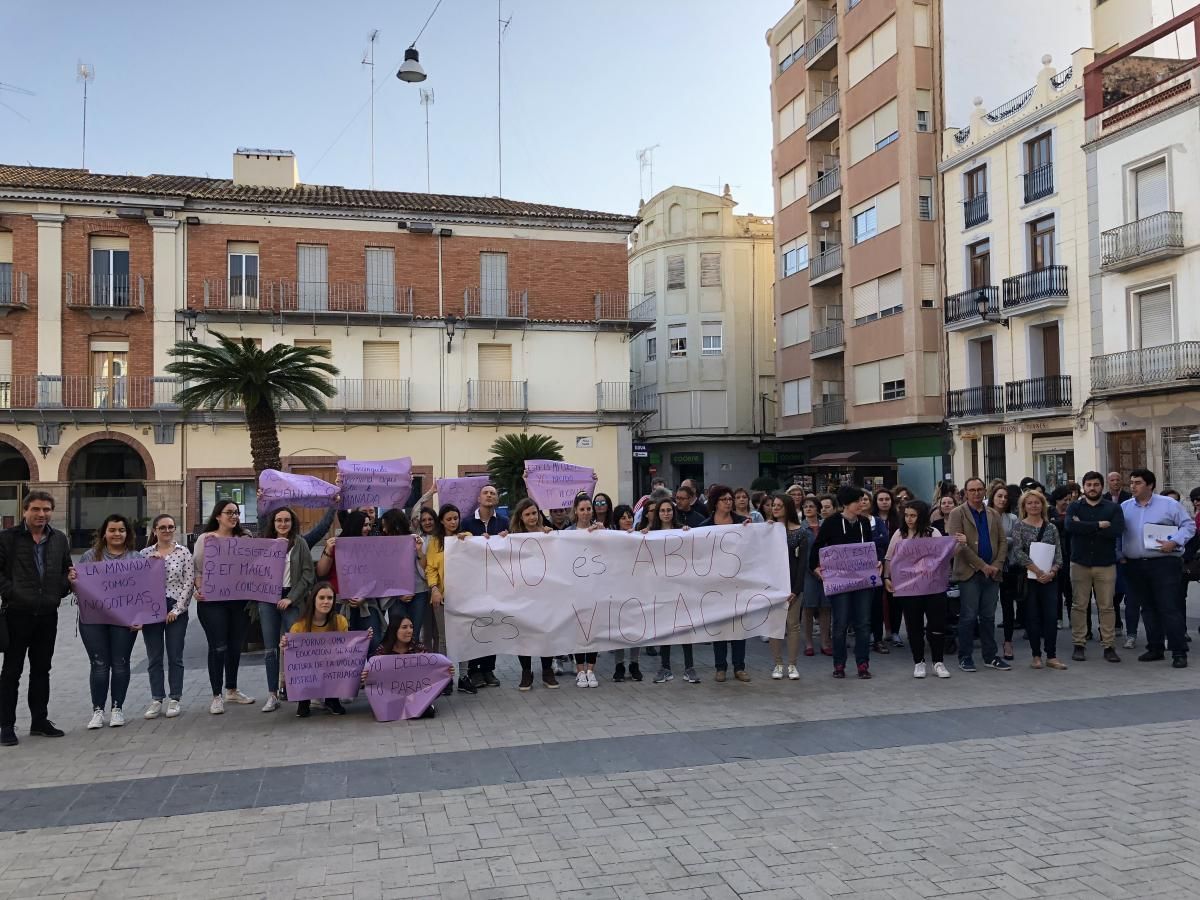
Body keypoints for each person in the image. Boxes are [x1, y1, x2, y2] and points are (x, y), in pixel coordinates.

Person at [0, 491, 72, 746]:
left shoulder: (59, 539)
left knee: (42, 670)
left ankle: (39, 721)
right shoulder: (7, 539)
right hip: (17, 614)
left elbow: (67, 570)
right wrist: (13, 593)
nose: (42, 515)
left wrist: (61, 588)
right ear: (25, 510)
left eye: (46, 510)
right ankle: (6, 726)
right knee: (11, 671)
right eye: (36, 510)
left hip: (47, 614)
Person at [1121, 469, 1194, 668]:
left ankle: (1179, 651)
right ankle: (1155, 647)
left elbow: (1189, 526)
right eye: (1132, 483)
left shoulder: (1169, 505)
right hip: (1135, 564)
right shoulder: (1125, 507)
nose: (1133, 486)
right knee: (1148, 607)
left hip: (1164, 562)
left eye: (1137, 483)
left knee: (1169, 607)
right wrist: (1121, 554)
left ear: (1150, 485)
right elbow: (1119, 533)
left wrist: (1175, 542)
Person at [77, 514, 141, 730]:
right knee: (99, 664)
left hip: (124, 620)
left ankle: (117, 708)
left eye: (121, 530)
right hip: (93, 619)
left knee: (121, 663)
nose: (117, 534)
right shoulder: (89, 557)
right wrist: (73, 582)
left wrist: (140, 617)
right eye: (112, 530)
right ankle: (97, 710)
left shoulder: (135, 558)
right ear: (104, 533)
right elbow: (80, 589)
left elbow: (143, 591)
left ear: (127, 533)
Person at [193, 499, 257, 714]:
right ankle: (216, 695)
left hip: (239, 601)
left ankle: (232, 688)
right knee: (217, 646)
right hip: (213, 603)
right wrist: (198, 589)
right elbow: (198, 570)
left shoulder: (244, 537)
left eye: (236, 512)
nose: (233, 516)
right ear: (218, 516)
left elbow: (254, 565)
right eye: (229, 512)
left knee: (235, 645)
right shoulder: (206, 539)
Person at [810, 485, 878, 679]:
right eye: (858, 501)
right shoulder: (831, 523)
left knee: (863, 623)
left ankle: (862, 663)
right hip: (840, 582)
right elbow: (817, 548)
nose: (862, 504)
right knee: (840, 623)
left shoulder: (864, 523)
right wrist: (816, 568)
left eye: (863, 501)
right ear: (847, 504)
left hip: (863, 581)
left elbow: (870, 549)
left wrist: (877, 562)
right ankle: (839, 663)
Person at [946, 477, 1011, 672]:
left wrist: (997, 565)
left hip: (993, 573)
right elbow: (958, 544)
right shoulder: (957, 513)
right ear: (965, 493)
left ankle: (990, 656)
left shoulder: (993, 514)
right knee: (968, 616)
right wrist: (982, 565)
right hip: (970, 573)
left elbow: (1002, 542)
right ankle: (965, 657)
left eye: (979, 489)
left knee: (989, 616)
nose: (976, 493)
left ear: (985, 491)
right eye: (972, 490)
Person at [883, 500, 952, 679]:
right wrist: (887, 577)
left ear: (921, 516)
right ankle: (918, 662)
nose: (909, 519)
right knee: (914, 626)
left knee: (936, 625)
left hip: (933, 587)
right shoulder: (900, 534)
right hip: (910, 589)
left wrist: (959, 544)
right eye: (906, 515)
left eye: (913, 515)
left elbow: (944, 555)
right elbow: (889, 558)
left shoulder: (933, 533)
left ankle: (938, 662)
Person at [257, 506, 315, 712]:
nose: (283, 524)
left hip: (293, 598)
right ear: (273, 523)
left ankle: (300, 692)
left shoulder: (301, 544)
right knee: (270, 649)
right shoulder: (264, 545)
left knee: (296, 646)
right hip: (267, 599)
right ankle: (272, 694)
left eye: (287, 520)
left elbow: (308, 575)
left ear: (293, 523)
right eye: (279, 520)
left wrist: (291, 598)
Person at [1065, 471, 1124, 663]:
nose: (1092, 488)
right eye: (1089, 485)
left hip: (1105, 563)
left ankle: (1108, 646)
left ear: (1102, 486)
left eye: (1096, 484)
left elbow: (1116, 531)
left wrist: (1084, 527)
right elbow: (1070, 528)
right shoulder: (1074, 506)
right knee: (1078, 605)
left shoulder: (1113, 508)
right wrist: (1099, 525)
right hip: (1080, 563)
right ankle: (1079, 644)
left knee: (1106, 606)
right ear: (1084, 487)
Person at [139, 514, 193, 720]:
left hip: (175, 607)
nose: (167, 530)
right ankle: (156, 698)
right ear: (155, 530)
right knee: (154, 656)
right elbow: (136, 583)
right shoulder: (144, 554)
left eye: (171, 527)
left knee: (175, 655)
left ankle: (175, 698)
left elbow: (188, 584)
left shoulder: (183, 553)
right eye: (162, 527)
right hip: (151, 607)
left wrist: (177, 610)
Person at [503, 498, 560, 690]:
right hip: (522, 593)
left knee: (546, 631)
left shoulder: (547, 533)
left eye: (534, 513)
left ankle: (547, 671)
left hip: (545, 593)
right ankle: (526, 672)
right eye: (527, 514)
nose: (532, 517)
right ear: (520, 517)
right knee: (524, 632)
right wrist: (501, 540)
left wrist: (552, 536)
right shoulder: (513, 537)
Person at [699, 484, 751, 683]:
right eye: (724, 500)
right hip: (715, 584)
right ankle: (720, 667)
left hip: (737, 583)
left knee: (739, 626)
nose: (729, 503)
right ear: (715, 503)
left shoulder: (741, 523)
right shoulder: (705, 526)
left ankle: (740, 667)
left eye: (730, 499)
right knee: (719, 626)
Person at [1012, 491, 1067, 670]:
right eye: (1030, 503)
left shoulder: (1051, 527)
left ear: (1042, 505)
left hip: (1050, 579)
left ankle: (1051, 655)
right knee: (1033, 617)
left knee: (1051, 617)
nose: (1034, 506)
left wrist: (1051, 572)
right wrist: (1036, 570)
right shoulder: (1019, 526)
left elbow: (1059, 554)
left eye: (1037, 503)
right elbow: (1018, 552)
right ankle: (1036, 655)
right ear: (1024, 506)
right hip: (1030, 578)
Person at [359, 614, 451, 719]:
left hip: (415, 697)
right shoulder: (382, 652)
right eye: (404, 627)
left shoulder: (420, 650)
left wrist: (446, 672)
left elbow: (432, 678)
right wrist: (367, 676)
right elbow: (374, 681)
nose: (409, 631)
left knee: (426, 712)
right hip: (391, 698)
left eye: (411, 627)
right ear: (394, 630)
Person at [318, 511, 384, 655]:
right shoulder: (336, 544)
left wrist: (364, 596)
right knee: (345, 647)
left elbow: (378, 575)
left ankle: (371, 675)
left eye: (368, 525)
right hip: (340, 602)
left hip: (367, 603)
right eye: (364, 525)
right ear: (355, 526)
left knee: (373, 642)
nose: (367, 528)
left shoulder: (372, 547)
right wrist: (329, 550)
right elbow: (322, 571)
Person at [426, 504, 475, 694]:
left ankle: (464, 676)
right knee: (444, 639)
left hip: (465, 597)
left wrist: (466, 541)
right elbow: (430, 568)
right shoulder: (435, 542)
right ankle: (445, 678)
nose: (453, 522)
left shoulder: (467, 537)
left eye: (456, 518)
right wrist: (434, 588)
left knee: (464, 637)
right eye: (449, 519)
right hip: (443, 597)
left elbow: (481, 552)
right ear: (442, 521)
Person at [282, 582, 350, 717]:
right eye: (322, 598)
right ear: (313, 599)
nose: (326, 602)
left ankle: (332, 699)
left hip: (332, 665)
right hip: (309, 669)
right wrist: (285, 646)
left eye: (330, 598)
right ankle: (304, 699)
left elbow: (346, 650)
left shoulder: (340, 621)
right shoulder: (299, 626)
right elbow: (292, 657)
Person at [649, 499, 699, 683]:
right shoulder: (650, 533)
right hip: (661, 588)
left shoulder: (682, 531)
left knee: (685, 626)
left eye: (669, 510)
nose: (666, 513)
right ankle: (665, 667)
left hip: (681, 585)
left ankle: (689, 667)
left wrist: (687, 534)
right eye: (662, 510)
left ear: (673, 512)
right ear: (658, 513)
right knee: (664, 628)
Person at [768, 492, 807, 680]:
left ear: (787, 507)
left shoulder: (800, 532)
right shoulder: (767, 530)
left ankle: (792, 664)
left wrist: (795, 590)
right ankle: (777, 663)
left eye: (778, 505)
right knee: (775, 626)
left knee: (793, 625)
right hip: (772, 586)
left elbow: (802, 565)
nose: (775, 508)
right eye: (773, 505)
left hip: (792, 587)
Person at [566, 494, 603, 688]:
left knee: (593, 629)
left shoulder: (601, 530)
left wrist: (605, 534)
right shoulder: (568, 532)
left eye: (589, 509)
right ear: (576, 511)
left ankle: (591, 669)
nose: (586, 513)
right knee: (579, 630)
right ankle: (580, 670)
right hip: (576, 589)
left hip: (595, 587)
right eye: (582, 509)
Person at [379, 508, 424, 636]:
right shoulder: (383, 546)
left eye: (385, 526)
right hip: (395, 596)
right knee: (397, 634)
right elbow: (383, 574)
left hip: (418, 592)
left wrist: (419, 551)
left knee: (414, 634)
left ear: (395, 525)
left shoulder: (415, 540)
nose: (384, 530)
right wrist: (398, 594)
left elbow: (425, 569)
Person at [990, 483, 1019, 661]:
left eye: (1005, 497)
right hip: (989, 565)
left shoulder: (1012, 518)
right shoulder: (985, 516)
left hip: (1008, 566)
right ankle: (988, 641)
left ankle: (1008, 642)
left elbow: (1016, 540)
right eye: (999, 496)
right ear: (992, 498)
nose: (1002, 499)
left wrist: (1000, 541)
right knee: (988, 606)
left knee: (1008, 606)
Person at [799, 497, 832, 656]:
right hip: (807, 573)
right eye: (805, 506)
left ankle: (825, 642)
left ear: (818, 509)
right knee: (808, 608)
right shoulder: (800, 528)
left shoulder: (826, 525)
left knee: (826, 607)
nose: (808, 509)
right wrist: (812, 568)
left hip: (827, 572)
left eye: (811, 506)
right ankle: (808, 643)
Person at [870, 489, 903, 651]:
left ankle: (894, 631)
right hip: (876, 562)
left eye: (887, 499)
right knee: (876, 600)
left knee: (895, 599)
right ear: (875, 502)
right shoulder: (871, 521)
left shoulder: (898, 519)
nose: (884, 502)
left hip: (896, 563)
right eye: (881, 499)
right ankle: (875, 633)